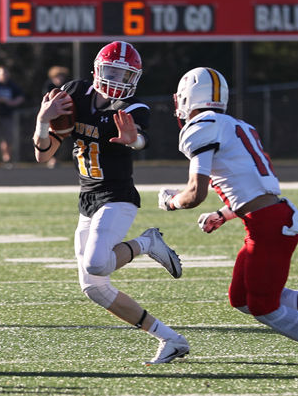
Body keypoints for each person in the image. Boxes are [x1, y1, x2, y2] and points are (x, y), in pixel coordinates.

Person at [157, 67, 298, 378]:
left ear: (188, 97)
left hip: (269, 225)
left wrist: (171, 201)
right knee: (241, 298)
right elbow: (250, 186)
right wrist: (223, 214)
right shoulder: (238, 126)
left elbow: (195, 194)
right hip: (267, 218)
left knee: (264, 306)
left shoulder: (201, 127)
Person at [32, 41, 189, 365]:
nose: (117, 78)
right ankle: (170, 339)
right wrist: (42, 121)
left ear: (135, 78)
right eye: (112, 70)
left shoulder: (134, 108)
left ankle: (146, 242)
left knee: (96, 264)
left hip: (117, 197)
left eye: (124, 73)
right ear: (97, 71)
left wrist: (135, 140)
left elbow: (140, 139)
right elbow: (42, 153)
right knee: (94, 287)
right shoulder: (75, 93)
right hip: (87, 198)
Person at [0, 65, 25, 168]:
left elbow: (21, 96)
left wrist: (14, 102)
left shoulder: (11, 85)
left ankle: (7, 160)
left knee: (7, 139)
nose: (4, 75)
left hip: (7, 116)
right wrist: (5, 100)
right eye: (2, 74)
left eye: (6, 73)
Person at [41, 66, 71, 169]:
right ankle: (51, 157)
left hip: (64, 115)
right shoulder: (48, 86)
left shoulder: (67, 86)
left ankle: (60, 158)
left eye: (61, 76)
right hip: (52, 116)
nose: (59, 78)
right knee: (50, 136)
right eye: (57, 76)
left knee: (64, 137)